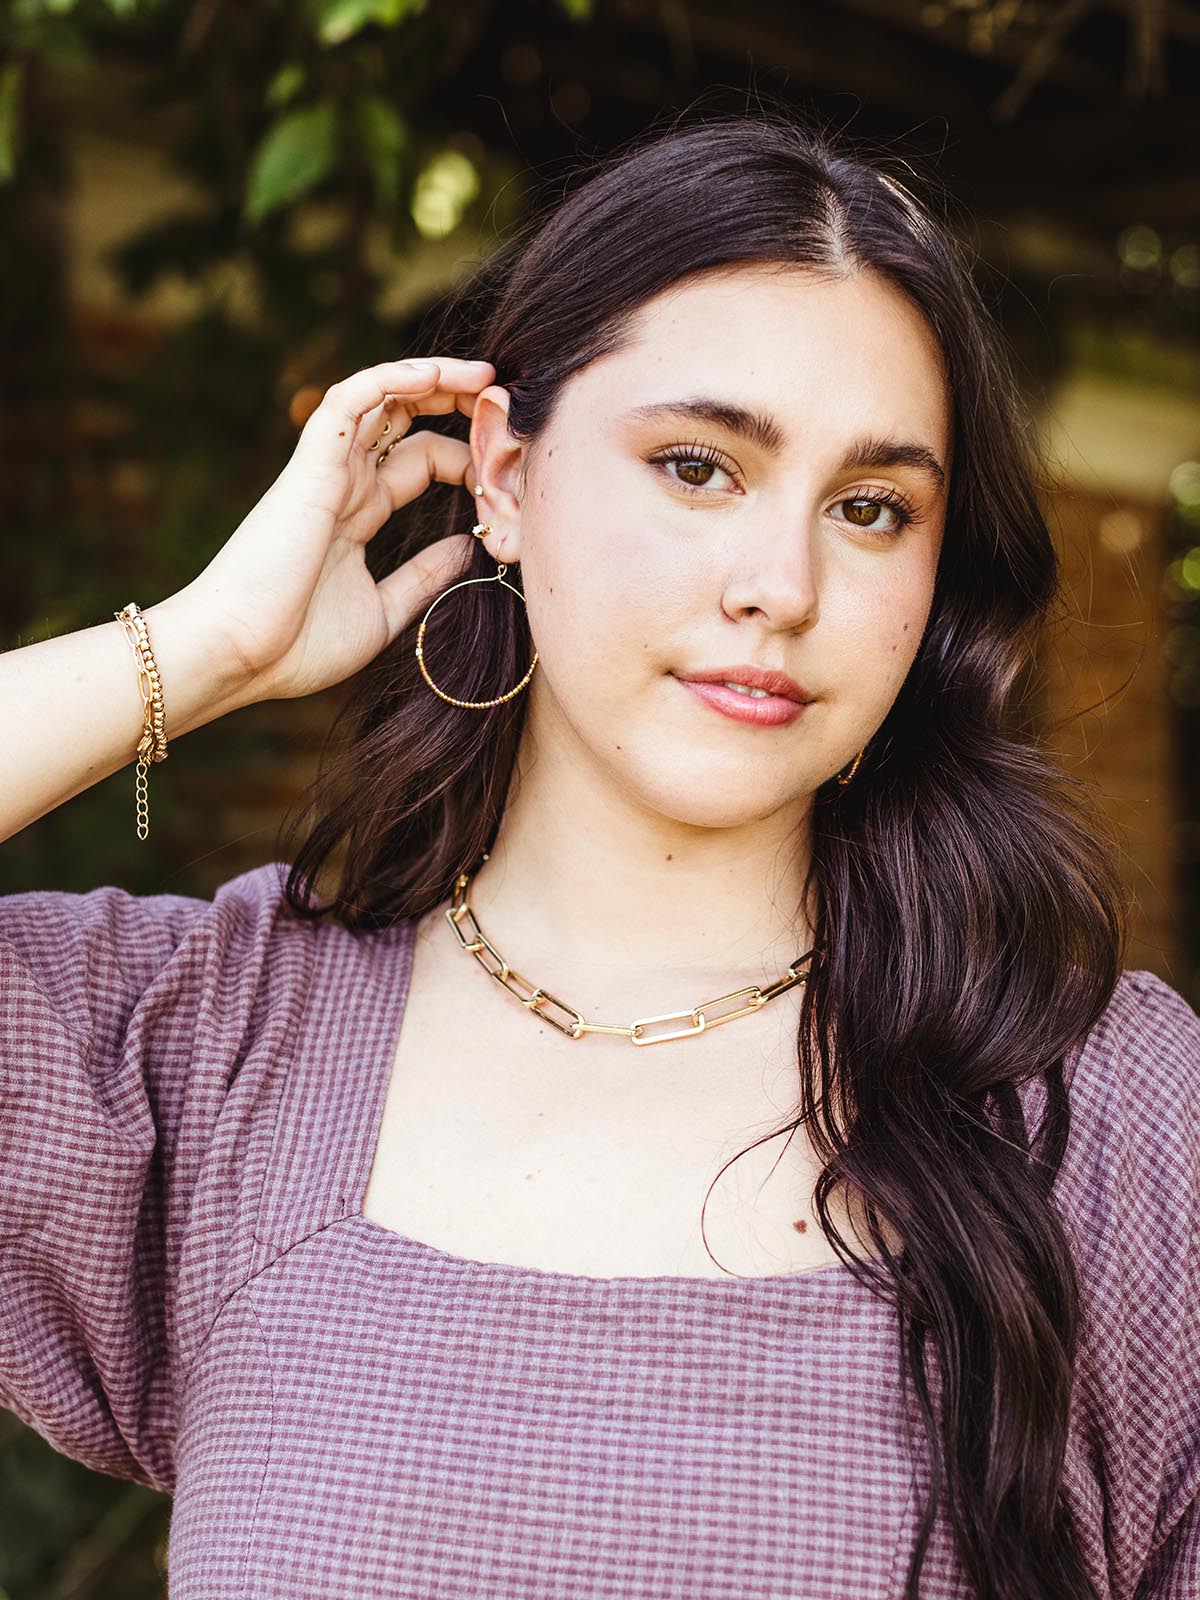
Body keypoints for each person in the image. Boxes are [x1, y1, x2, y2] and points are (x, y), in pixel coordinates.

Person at [1, 111, 1197, 1600]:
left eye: (872, 509)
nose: (781, 585)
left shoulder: (1109, 1122)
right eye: (699, 467)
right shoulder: (217, 1047)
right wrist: (202, 647)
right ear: (503, 475)